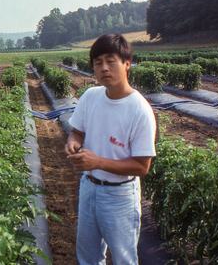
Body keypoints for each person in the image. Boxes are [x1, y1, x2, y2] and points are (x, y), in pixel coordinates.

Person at [65, 34, 156, 264]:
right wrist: (73, 142)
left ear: (127, 63)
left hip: (119, 195)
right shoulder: (91, 97)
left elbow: (141, 166)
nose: (104, 68)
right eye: (98, 62)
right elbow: (77, 131)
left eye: (110, 60)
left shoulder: (140, 110)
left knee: (124, 258)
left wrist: (98, 162)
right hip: (89, 187)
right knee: (87, 257)